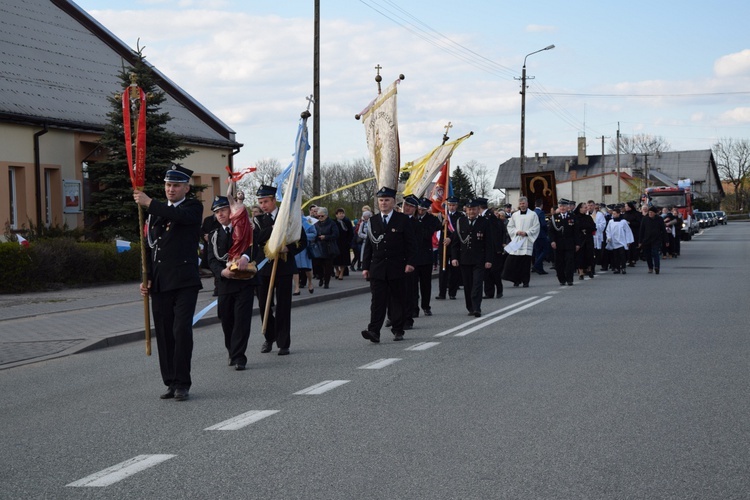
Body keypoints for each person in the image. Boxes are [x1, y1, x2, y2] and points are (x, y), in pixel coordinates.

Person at [133, 164, 202, 402]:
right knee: (164, 333)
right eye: (167, 185)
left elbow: (180, 217)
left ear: (186, 187)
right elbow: (149, 247)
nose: (170, 189)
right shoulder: (155, 214)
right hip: (161, 282)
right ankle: (171, 381)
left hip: (184, 281)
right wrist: (147, 277)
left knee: (181, 330)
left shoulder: (193, 207)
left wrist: (150, 202)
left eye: (175, 185)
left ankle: (183, 382)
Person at [206, 196, 258, 371]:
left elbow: (254, 248)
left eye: (223, 210)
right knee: (226, 319)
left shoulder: (244, 228)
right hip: (225, 283)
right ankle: (232, 350)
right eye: (217, 212)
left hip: (244, 282)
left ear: (231, 211)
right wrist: (222, 272)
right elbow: (211, 260)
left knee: (242, 321)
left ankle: (239, 357)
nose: (220, 214)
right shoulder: (213, 235)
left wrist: (245, 257)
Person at [255, 184, 307, 356]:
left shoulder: (289, 218)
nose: (263, 206)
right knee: (265, 305)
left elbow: (302, 241)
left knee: (283, 306)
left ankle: (283, 342)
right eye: (260, 202)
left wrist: (289, 249)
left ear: (274, 200)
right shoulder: (258, 220)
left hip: (284, 267)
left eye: (265, 202)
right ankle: (269, 337)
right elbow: (256, 239)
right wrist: (273, 229)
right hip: (264, 268)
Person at [361, 187, 417, 343]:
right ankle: (374, 331)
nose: (383, 203)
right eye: (381, 200)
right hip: (378, 268)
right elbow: (369, 246)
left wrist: (410, 263)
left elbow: (411, 244)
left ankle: (398, 329)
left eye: (386, 200)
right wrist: (365, 267)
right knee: (377, 301)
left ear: (393, 202)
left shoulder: (402, 220)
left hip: (397, 267)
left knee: (397, 300)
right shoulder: (373, 221)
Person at [451, 198, 493, 317]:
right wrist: (454, 258)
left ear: (478, 210)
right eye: (469, 210)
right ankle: (470, 307)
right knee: (468, 285)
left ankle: (477, 308)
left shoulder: (484, 222)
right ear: (466, 210)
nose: (471, 212)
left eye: (474, 209)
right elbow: (456, 243)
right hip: (464, 259)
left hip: (479, 259)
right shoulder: (460, 222)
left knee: (477, 284)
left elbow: (489, 243)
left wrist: (489, 260)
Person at [502, 196, 540, 288]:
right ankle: (516, 280)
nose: (522, 205)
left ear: (527, 204)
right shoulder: (515, 215)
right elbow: (510, 227)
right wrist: (516, 232)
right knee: (513, 262)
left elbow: (536, 227)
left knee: (525, 264)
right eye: (520, 204)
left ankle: (525, 281)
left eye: (523, 203)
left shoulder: (533, 214)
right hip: (517, 240)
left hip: (527, 240)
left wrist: (527, 233)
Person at [414, 197, 442, 316]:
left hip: (425, 255)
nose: (421, 211)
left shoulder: (431, 219)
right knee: (412, 285)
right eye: (419, 208)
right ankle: (414, 308)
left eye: (423, 209)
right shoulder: (412, 218)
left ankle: (426, 306)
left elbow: (433, 230)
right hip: (413, 257)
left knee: (426, 284)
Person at [436, 197, 463, 300]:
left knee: (454, 270)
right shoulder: (442, 215)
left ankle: (452, 292)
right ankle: (441, 293)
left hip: (454, 245)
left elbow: (459, 230)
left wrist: (450, 239)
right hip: (443, 245)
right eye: (450, 205)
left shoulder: (460, 216)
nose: (451, 207)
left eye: (453, 205)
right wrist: (442, 224)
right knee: (443, 270)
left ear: (456, 205)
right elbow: (436, 227)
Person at [548, 198, 579, 285]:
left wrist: (577, 243)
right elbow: (551, 231)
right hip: (558, 244)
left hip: (570, 243)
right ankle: (561, 279)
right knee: (559, 262)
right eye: (561, 206)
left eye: (564, 206)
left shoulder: (572, 217)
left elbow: (576, 231)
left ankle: (569, 279)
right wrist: (552, 241)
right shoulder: (555, 217)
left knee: (569, 262)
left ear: (568, 207)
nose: (562, 208)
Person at [313, 207, 339, 289]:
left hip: (329, 247)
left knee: (328, 266)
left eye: (322, 216)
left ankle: (326, 282)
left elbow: (336, 235)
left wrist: (326, 237)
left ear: (326, 216)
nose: (320, 218)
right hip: (318, 247)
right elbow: (313, 233)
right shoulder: (316, 223)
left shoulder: (332, 223)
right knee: (317, 265)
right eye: (319, 216)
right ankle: (321, 278)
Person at [639, 205, 668, 275]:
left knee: (655, 253)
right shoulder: (645, 219)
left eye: (652, 212)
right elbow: (641, 230)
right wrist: (640, 241)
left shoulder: (659, 219)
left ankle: (657, 267)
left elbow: (663, 230)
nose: (650, 214)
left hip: (656, 239)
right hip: (646, 240)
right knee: (648, 254)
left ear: (655, 213)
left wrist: (666, 240)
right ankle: (650, 267)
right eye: (649, 212)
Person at [294, 210, 317, 295]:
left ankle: (310, 282)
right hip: (294, 247)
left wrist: (303, 236)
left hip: (305, 248)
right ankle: (296, 287)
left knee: (307, 268)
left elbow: (314, 234)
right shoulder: (291, 221)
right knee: (295, 269)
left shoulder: (308, 220)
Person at [605, 207, 634, 274]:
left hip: (622, 241)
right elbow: (608, 230)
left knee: (622, 255)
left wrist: (628, 241)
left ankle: (623, 268)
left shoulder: (623, 222)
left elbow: (628, 231)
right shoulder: (611, 222)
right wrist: (608, 237)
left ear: (618, 214)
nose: (613, 215)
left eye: (615, 214)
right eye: (613, 214)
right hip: (614, 241)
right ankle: (617, 268)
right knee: (615, 256)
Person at [574, 202, 596, 280]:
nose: (586, 209)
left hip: (588, 238)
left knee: (589, 255)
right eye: (585, 207)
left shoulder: (588, 217)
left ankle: (589, 270)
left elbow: (593, 227)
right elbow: (575, 229)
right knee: (580, 256)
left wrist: (587, 229)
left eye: (586, 207)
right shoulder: (575, 217)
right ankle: (581, 272)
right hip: (580, 239)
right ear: (580, 209)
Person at [333, 208, 353, 280]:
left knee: (343, 259)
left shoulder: (347, 222)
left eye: (342, 213)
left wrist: (349, 241)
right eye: (340, 213)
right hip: (336, 242)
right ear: (336, 215)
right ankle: (337, 271)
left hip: (344, 243)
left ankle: (341, 272)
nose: (341, 215)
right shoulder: (334, 222)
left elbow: (351, 232)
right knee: (335, 259)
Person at [531, 198, 549, 275]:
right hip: (541, 234)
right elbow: (543, 224)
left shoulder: (532, 213)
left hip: (534, 235)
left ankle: (540, 269)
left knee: (538, 251)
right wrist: (546, 231)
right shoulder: (541, 213)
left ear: (535, 205)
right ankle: (536, 265)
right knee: (547, 249)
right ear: (541, 205)